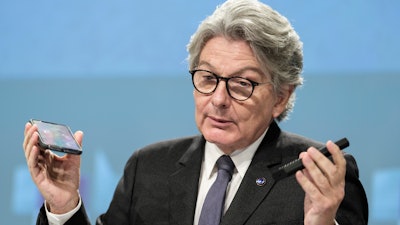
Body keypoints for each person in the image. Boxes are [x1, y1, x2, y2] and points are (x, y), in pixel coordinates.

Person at [23, 0, 368, 224]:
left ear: (280, 97)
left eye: (241, 84)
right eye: (207, 78)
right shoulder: (148, 167)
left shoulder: (318, 178)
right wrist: (64, 205)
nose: (218, 99)